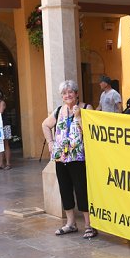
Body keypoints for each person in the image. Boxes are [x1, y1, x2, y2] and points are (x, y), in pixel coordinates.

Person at [41, 80, 97, 238]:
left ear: (77, 93)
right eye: (64, 93)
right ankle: (71, 223)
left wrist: (78, 116)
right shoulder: (59, 111)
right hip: (61, 158)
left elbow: (90, 131)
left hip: (79, 157)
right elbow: (45, 125)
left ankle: (89, 225)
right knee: (65, 190)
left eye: (70, 92)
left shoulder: (86, 108)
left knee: (82, 190)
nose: (67, 95)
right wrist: (51, 143)